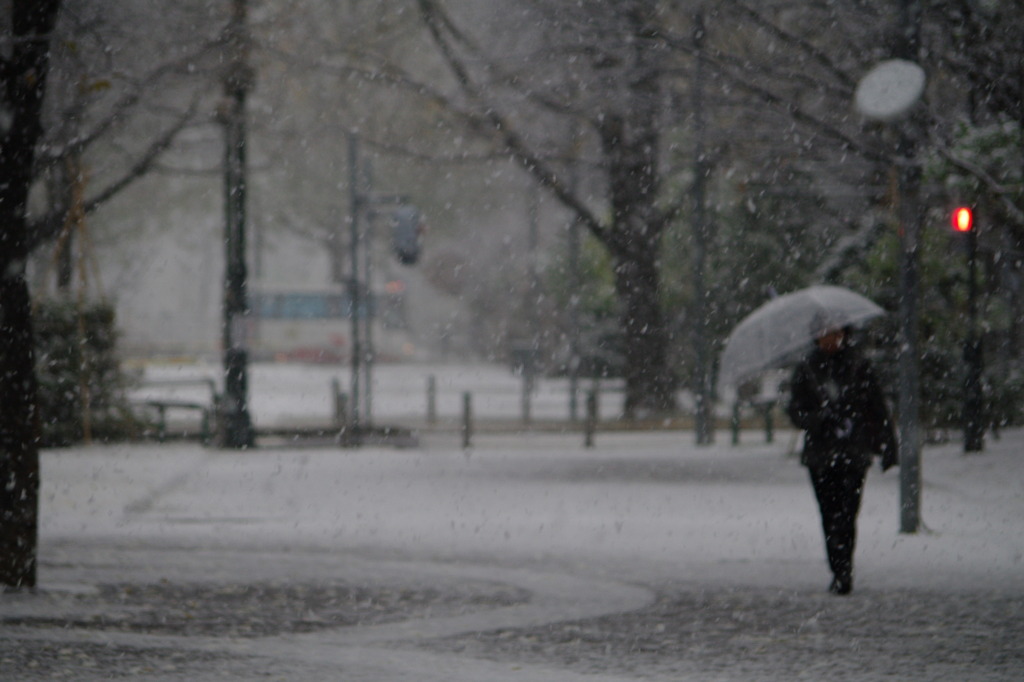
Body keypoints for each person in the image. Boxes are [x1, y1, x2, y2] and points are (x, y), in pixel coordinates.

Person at [786, 318, 898, 595]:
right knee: (829, 512)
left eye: (835, 332)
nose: (830, 338)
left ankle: (844, 567)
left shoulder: (859, 366)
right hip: (821, 455)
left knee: (847, 512)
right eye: (824, 333)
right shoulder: (807, 369)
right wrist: (818, 418)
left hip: (853, 452)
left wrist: (886, 445)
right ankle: (837, 567)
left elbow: (876, 407)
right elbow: (795, 411)